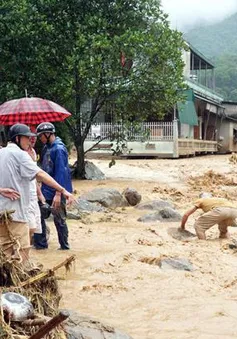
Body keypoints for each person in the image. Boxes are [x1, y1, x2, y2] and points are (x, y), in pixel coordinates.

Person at [0, 123, 75, 263]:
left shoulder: (1, 152)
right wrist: (62, 190)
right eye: (27, 138)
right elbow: (40, 174)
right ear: (18, 138)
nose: (30, 141)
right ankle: (21, 283)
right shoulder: (20, 155)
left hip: (2, 214)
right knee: (22, 253)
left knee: (5, 253)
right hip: (16, 213)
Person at [34, 122, 72, 250]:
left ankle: (64, 246)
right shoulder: (47, 148)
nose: (40, 139)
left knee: (59, 219)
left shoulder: (59, 149)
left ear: (48, 134)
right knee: (39, 214)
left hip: (57, 190)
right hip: (46, 189)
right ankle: (40, 244)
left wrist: (58, 193)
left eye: (41, 136)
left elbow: (61, 172)